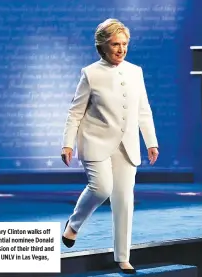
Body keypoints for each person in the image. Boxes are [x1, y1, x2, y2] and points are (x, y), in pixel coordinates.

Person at [60, 18, 159, 274]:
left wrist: (151, 141)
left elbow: (143, 110)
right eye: (115, 44)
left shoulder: (136, 71)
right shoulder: (90, 73)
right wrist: (67, 143)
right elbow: (75, 112)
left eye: (124, 44)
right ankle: (74, 223)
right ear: (103, 46)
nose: (121, 49)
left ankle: (123, 257)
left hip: (127, 145)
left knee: (125, 201)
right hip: (95, 141)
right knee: (101, 188)